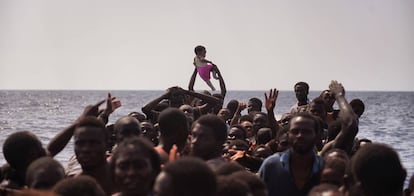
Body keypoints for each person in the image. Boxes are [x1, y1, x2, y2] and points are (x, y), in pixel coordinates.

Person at [258, 112, 324, 196]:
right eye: (295, 131)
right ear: (288, 135)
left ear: (316, 136)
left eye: (306, 131)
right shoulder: (271, 165)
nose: (300, 136)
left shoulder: (324, 168)